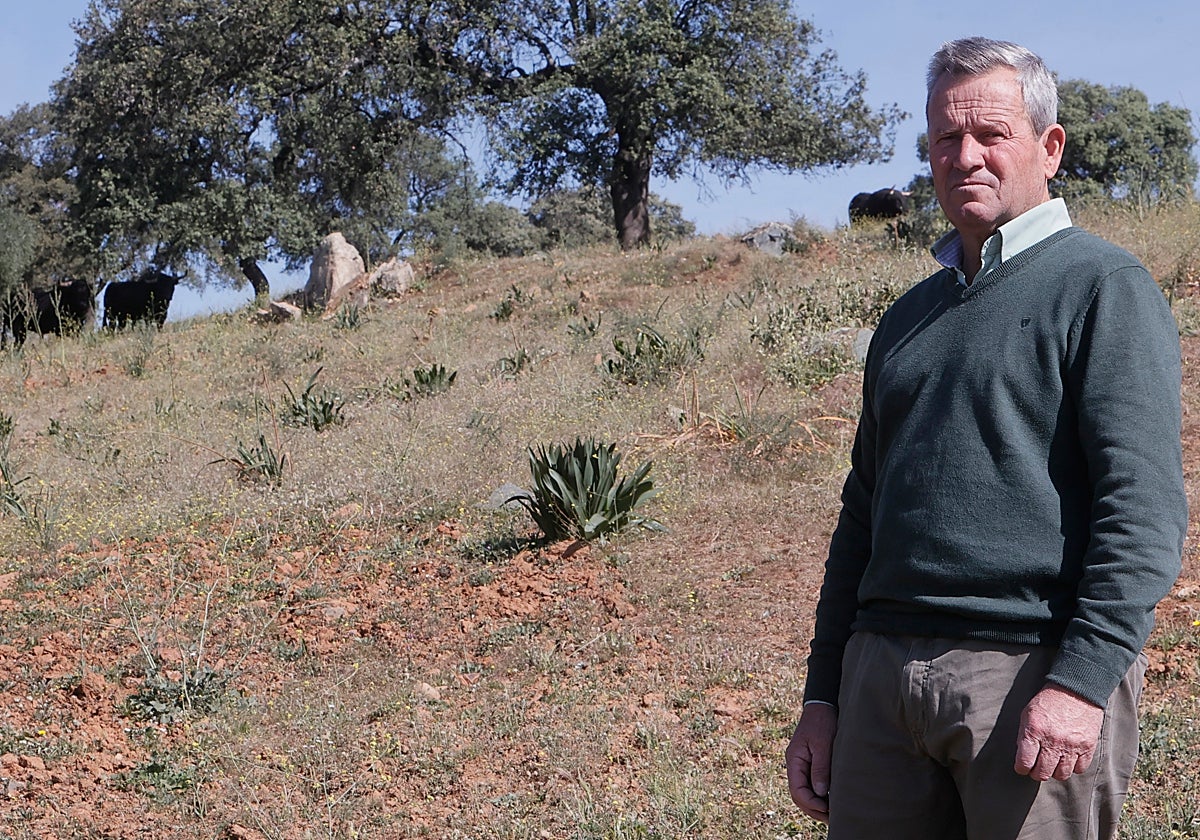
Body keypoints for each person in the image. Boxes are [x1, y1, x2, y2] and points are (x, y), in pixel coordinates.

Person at [785, 36, 1187, 840]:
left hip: (1025, 674)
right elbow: (862, 517)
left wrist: (1079, 682)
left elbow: (1142, 511)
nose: (964, 156)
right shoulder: (909, 317)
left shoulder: (1103, 288)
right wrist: (824, 695)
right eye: (944, 138)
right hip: (880, 677)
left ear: (1049, 146)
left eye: (990, 135)